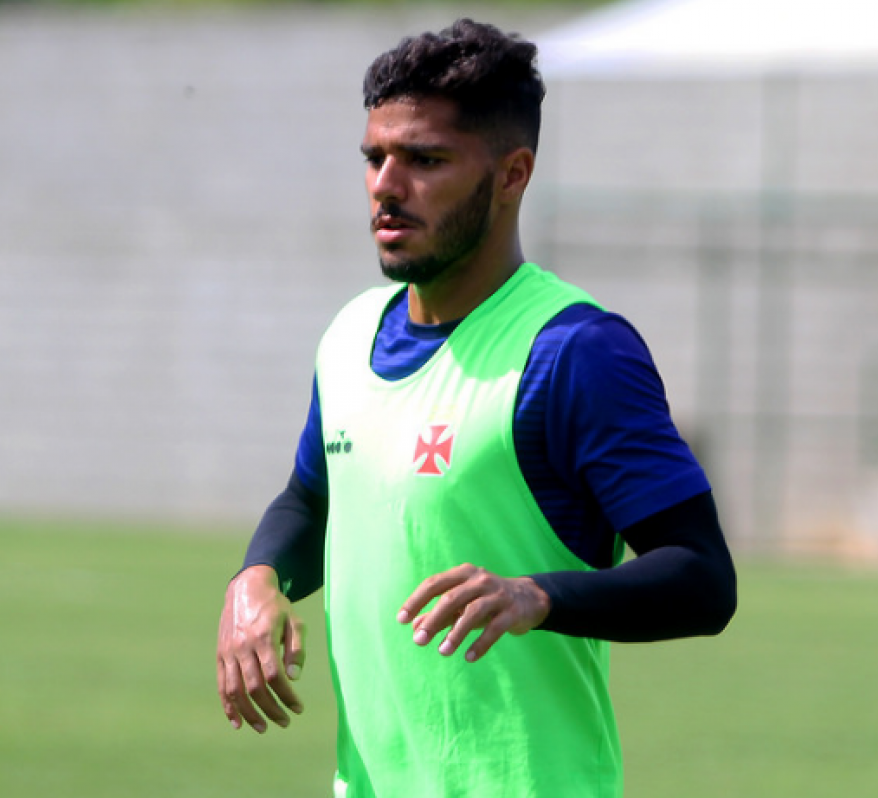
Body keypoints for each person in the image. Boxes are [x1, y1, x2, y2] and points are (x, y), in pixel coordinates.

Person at [215, 18, 737, 798]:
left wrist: (538, 596)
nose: (387, 186)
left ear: (511, 174)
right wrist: (257, 578)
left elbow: (702, 577)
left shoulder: (574, 352)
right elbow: (314, 496)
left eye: (425, 160)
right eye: (375, 157)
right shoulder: (351, 333)